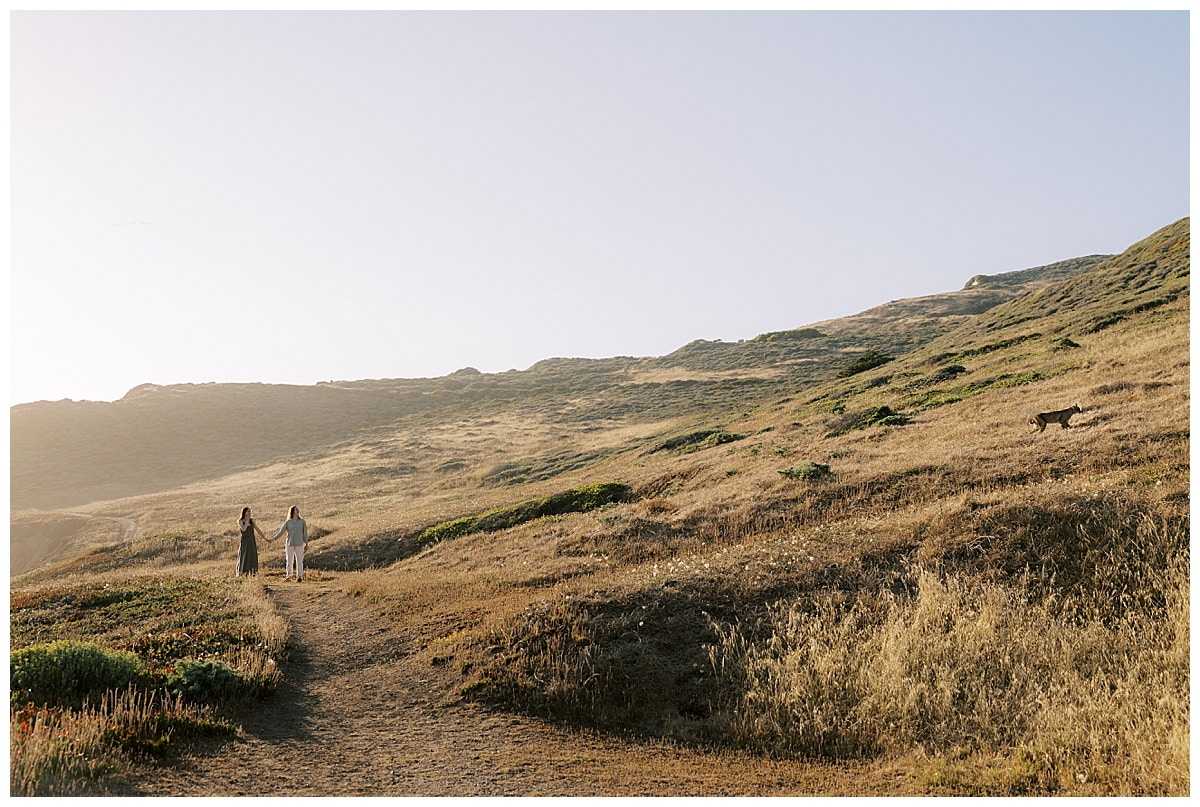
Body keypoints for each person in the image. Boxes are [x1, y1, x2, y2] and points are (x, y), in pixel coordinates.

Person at [271, 505, 309, 582]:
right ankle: (289, 576)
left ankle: (300, 576)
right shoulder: (288, 522)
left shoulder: (302, 522)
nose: (297, 511)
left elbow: (305, 533)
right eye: (296, 509)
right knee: (289, 560)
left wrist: (306, 544)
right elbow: (281, 532)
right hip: (289, 544)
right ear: (292, 511)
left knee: (299, 561)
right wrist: (273, 539)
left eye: (298, 509)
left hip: (299, 543)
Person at [236, 507, 266, 577]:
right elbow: (243, 529)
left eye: (250, 511)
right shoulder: (240, 521)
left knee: (252, 555)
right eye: (248, 511)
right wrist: (247, 520)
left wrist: (265, 538)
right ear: (244, 512)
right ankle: (243, 572)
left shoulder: (252, 521)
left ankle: (253, 572)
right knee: (244, 555)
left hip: (251, 540)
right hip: (245, 541)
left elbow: (258, 530)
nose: (249, 513)